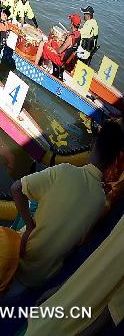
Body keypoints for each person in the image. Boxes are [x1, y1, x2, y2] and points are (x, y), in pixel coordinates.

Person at [11, 119, 122, 288]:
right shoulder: (100, 202)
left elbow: (16, 188)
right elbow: (79, 241)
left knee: (33, 200)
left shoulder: (64, 171)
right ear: (113, 161)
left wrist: (30, 226)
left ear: (92, 146)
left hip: (19, 258)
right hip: (43, 278)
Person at [41, 13, 81, 78]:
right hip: (66, 58)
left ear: (72, 23)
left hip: (60, 60)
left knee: (44, 44)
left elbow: (59, 51)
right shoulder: (78, 35)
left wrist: (53, 47)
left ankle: (41, 65)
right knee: (53, 41)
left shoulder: (70, 38)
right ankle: (48, 64)